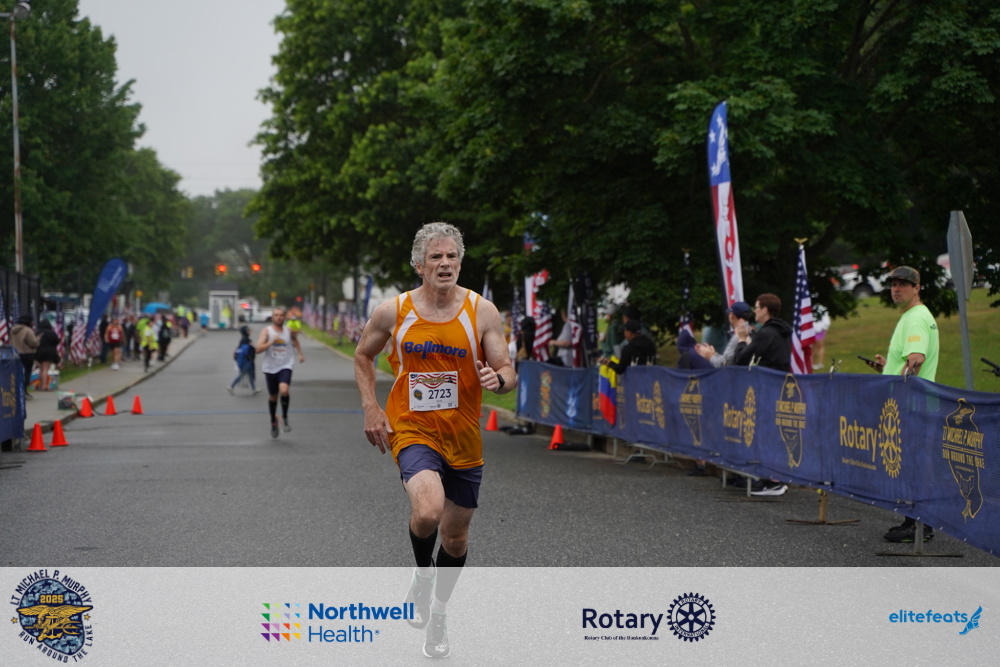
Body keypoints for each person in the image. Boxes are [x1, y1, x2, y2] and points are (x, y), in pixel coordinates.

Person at [355, 222, 515, 659]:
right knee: (427, 510)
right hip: (412, 428)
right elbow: (363, 355)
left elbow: (506, 369)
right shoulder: (394, 311)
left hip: (463, 436)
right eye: (436, 257)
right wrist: (371, 407)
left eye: (452, 256)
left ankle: (439, 612)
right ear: (419, 265)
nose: (445, 264)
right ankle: (422, 576)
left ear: (460, 262)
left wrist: (498, 379)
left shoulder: (482, 311)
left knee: (455, 536)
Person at [867, 266, 939, 543]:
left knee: (912, 466)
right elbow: (907, 362)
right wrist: (888, 368)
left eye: (903, 284)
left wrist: (898, 378)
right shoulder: (915, 315)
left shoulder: (916, 318)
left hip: (913, 406)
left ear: (917, 288)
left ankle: (919, 526)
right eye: (894, 284)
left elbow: (915, 361)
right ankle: (916, 523)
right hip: (915, 404)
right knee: (913, 465)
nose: (896, 289)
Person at [734, 293, 792, 496]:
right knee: (771, 434)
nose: (755, 311)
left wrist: (742, 339)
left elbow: (741, 359)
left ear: (765, 310)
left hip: (768, 389)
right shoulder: (781, 331)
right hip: (777, 388)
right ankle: (772, 478)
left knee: (768, 435)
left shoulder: (767, 333)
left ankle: (773, 481)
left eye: (757, 308)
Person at [256, 306, 305, 438]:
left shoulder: (288, 331)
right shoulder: (267, 331)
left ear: (284, 317)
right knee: (273, 397)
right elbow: (258, 349)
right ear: (272, 317)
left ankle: (285, 416)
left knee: (284, 390)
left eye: (281, 315)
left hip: (285, 365)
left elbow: (295, 340)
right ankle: (273, 420)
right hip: (270, 367)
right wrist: (271, 342)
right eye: (276, 315)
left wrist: (300, 354)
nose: (279, 317)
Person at [696, 302, 753, 368]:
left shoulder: (738, 337)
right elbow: (730, 359)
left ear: (732, 315)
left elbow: (724, 364)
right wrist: (714, 355)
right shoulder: (751, 332)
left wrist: (710, 356)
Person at [10, 314, 39, 399]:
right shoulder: (28, 330)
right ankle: (24, 391)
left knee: (16, 373)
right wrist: (37, 340)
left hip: (14, 354)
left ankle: (16, 391)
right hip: (26, 354)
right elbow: (32, 343)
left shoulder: (13, 330)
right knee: (26, 373)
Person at [228, 325, 259, 395]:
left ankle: (254, 388)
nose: (250, 331)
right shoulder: (246, 340)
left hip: (244, 361)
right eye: (248, 330)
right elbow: (247, 351)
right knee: (243, 375)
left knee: (249, 375)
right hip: (246, 361)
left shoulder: (244, 339)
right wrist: (252, 347)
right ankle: (231, 386)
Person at [34, 319, 61, 391]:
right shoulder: (51, 333)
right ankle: (45, 386)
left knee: (41, 369)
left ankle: (40, 385)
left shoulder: (37, 333)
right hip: (49, 352)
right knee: (45, 369)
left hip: (39, 352)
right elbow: (57, 341)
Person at [811, 304, 831, 370]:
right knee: (813, 348)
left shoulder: (822, 308)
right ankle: (813, 363)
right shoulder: (810, 307)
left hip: (820, 330)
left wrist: (823, 328)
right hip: (812, 330)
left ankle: (820, 363)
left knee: (819, 347)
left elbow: (826, 320)